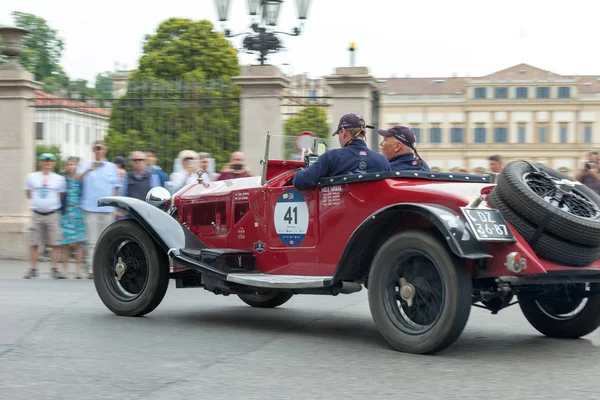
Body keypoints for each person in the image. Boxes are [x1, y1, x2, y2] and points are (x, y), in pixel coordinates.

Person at [293, 113, 391, 190]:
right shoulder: (382, 160)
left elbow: (301, 181)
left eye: (339, 134)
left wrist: (298, 173)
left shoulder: (332, 157)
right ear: (363, 133)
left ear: (343, 132)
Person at [77, 140, 121, 279]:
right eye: (96, 148)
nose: (98, 151)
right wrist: (89, 170)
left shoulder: (112, 167)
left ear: (105, 150)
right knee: (92, 241)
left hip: (107, 209)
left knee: (109, 241)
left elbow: (116, 188)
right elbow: (77, 179)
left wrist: (116, 206)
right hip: (90, 208)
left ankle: (107, 268)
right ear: (93, 150)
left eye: (100, 148)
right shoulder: (85, 166)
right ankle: (91, 269)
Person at [23, 153, 67, 279]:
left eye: (50, 161)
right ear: (40, 163)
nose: (47, 163)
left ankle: (54, 269)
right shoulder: (31, 177)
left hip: (52, 214)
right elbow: (28, 193)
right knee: (34, 242)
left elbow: (61, 196)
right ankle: (33, 268)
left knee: (54, 243)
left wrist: (49, 204)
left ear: (53, 163)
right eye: (44, 160)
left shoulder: (59, 179)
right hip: (37, 213)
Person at [59, 157, 89, 279]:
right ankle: (64, 270)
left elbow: (80, 179)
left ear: (76, 166)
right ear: (66, 167)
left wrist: (88, 170)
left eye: (73, 164)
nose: (71, 166)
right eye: (69, 164)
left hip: (78, 212)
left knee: (79, 243)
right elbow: (60, 196)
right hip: (67, 213)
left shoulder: (80, 180)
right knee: (65, 243)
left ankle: (77, 270)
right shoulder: (63, 180)